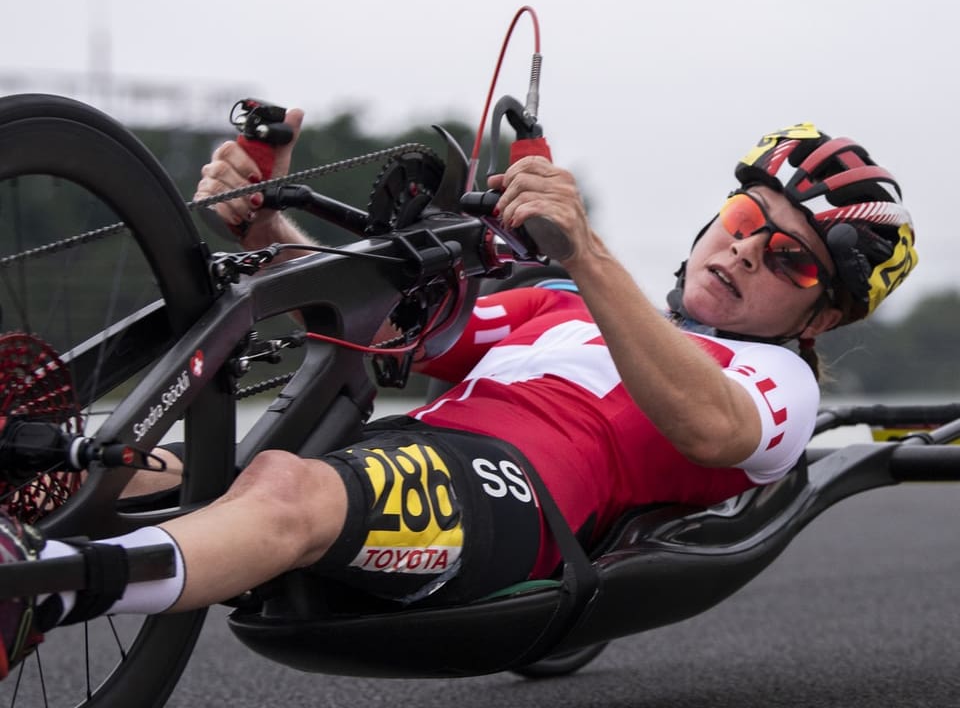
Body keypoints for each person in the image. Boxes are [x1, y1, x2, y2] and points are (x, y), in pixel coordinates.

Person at [0, 112, 917, 677]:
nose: (750, 250)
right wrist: (266, 222)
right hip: (405, 459)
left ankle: (41, 596)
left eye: (792, 257)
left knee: (283, 488)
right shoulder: (559, 301)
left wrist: (586, 252)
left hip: (520, 505)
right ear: (720, 215)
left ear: (822, 318)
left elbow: (713, 431)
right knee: (161, 463)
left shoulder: (778, 378)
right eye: (751, 220)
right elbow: (386, 322)